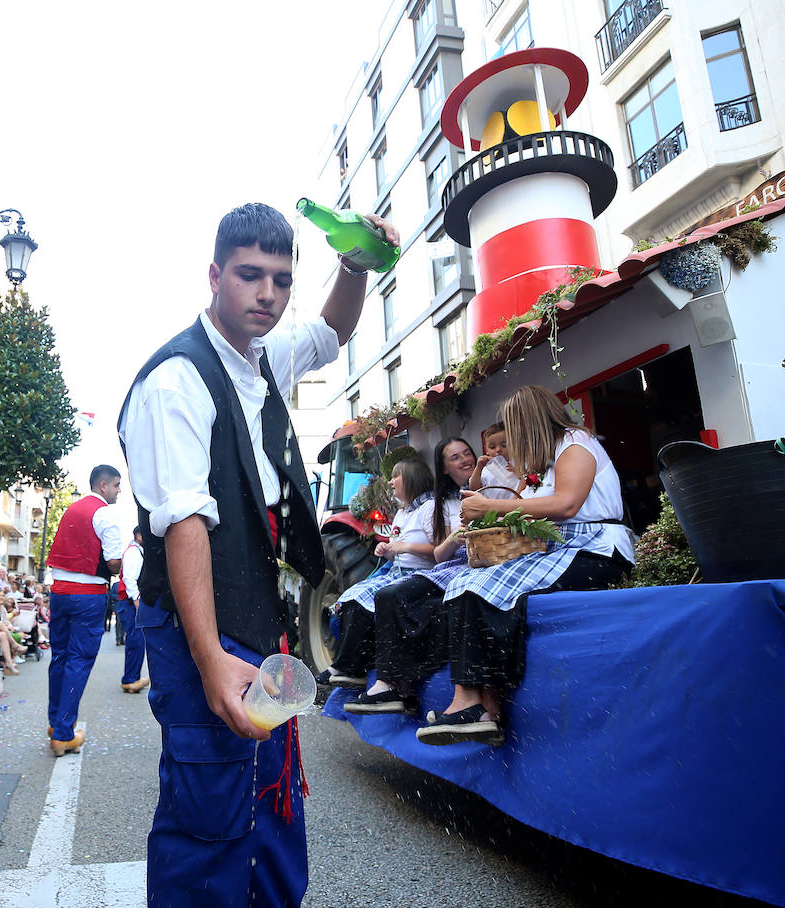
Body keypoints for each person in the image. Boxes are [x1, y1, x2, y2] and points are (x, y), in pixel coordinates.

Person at [118, 201, 396, 906]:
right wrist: (210, 657)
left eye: (279, 279)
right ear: (215, 275)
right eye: (249, 276)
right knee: (210, 815)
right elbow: (183, 524)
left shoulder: (263, 355)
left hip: (255, 612)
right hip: (197, 623)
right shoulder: (178, 379)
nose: (267, 294)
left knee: (267, 798)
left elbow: (333, 330)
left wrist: (356, 264)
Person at [419, 386, 635, 747]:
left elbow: (565, 505)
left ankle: (483, 705)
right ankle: (475, 703)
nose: (509, 443)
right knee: (463, 583)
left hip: (595, 549)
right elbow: (531, 510)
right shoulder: (544, 461)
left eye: (514, 432)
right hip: (558, 548)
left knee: (480, 587)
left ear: (529, 423)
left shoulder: (576, 442)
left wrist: (490, 508)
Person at [342, 440, 475, 715]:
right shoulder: (443, 502)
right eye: (455, 457)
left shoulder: (485, 489)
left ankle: (392, 684)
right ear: (444, 469)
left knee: (391, 594)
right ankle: (376, 677)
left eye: (467, 454)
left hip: (466, 563)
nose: (464, 460)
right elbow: (442, 551)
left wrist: (406, 548)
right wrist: (392, 551)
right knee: (374, 594)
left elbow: (438, 554)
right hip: (447, 562)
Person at [322, 457, 440, 696]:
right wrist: (386, 551)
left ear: (412, 479)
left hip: (421, 574)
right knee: (354, 594)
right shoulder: (403, 513)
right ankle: (348, 667)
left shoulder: (430, 508)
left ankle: (384, 679)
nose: (391, 482)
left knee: (382, 596)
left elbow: (438, 551)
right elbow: (399, 550)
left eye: (396, 476)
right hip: (398, 570)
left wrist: (403, 547)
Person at [43, 465, 125, 755]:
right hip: (87, 595)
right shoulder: (104, 513)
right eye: (116, 485)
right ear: (103, 486)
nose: (118, 491)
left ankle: (55, 724)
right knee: (79, 661)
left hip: (60, 592)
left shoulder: (72, 509)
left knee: (60, 658)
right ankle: (63, 734)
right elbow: (113, 561)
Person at [116, 526, 148, 693]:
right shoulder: (134, 552)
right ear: (139, 535)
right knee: (136, 640)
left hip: (128, 602)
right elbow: (130, 578)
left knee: (135, 641)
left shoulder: (134, 550)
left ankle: (131, 678)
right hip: (129, 602)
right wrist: (136, 601)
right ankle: (130, 679)